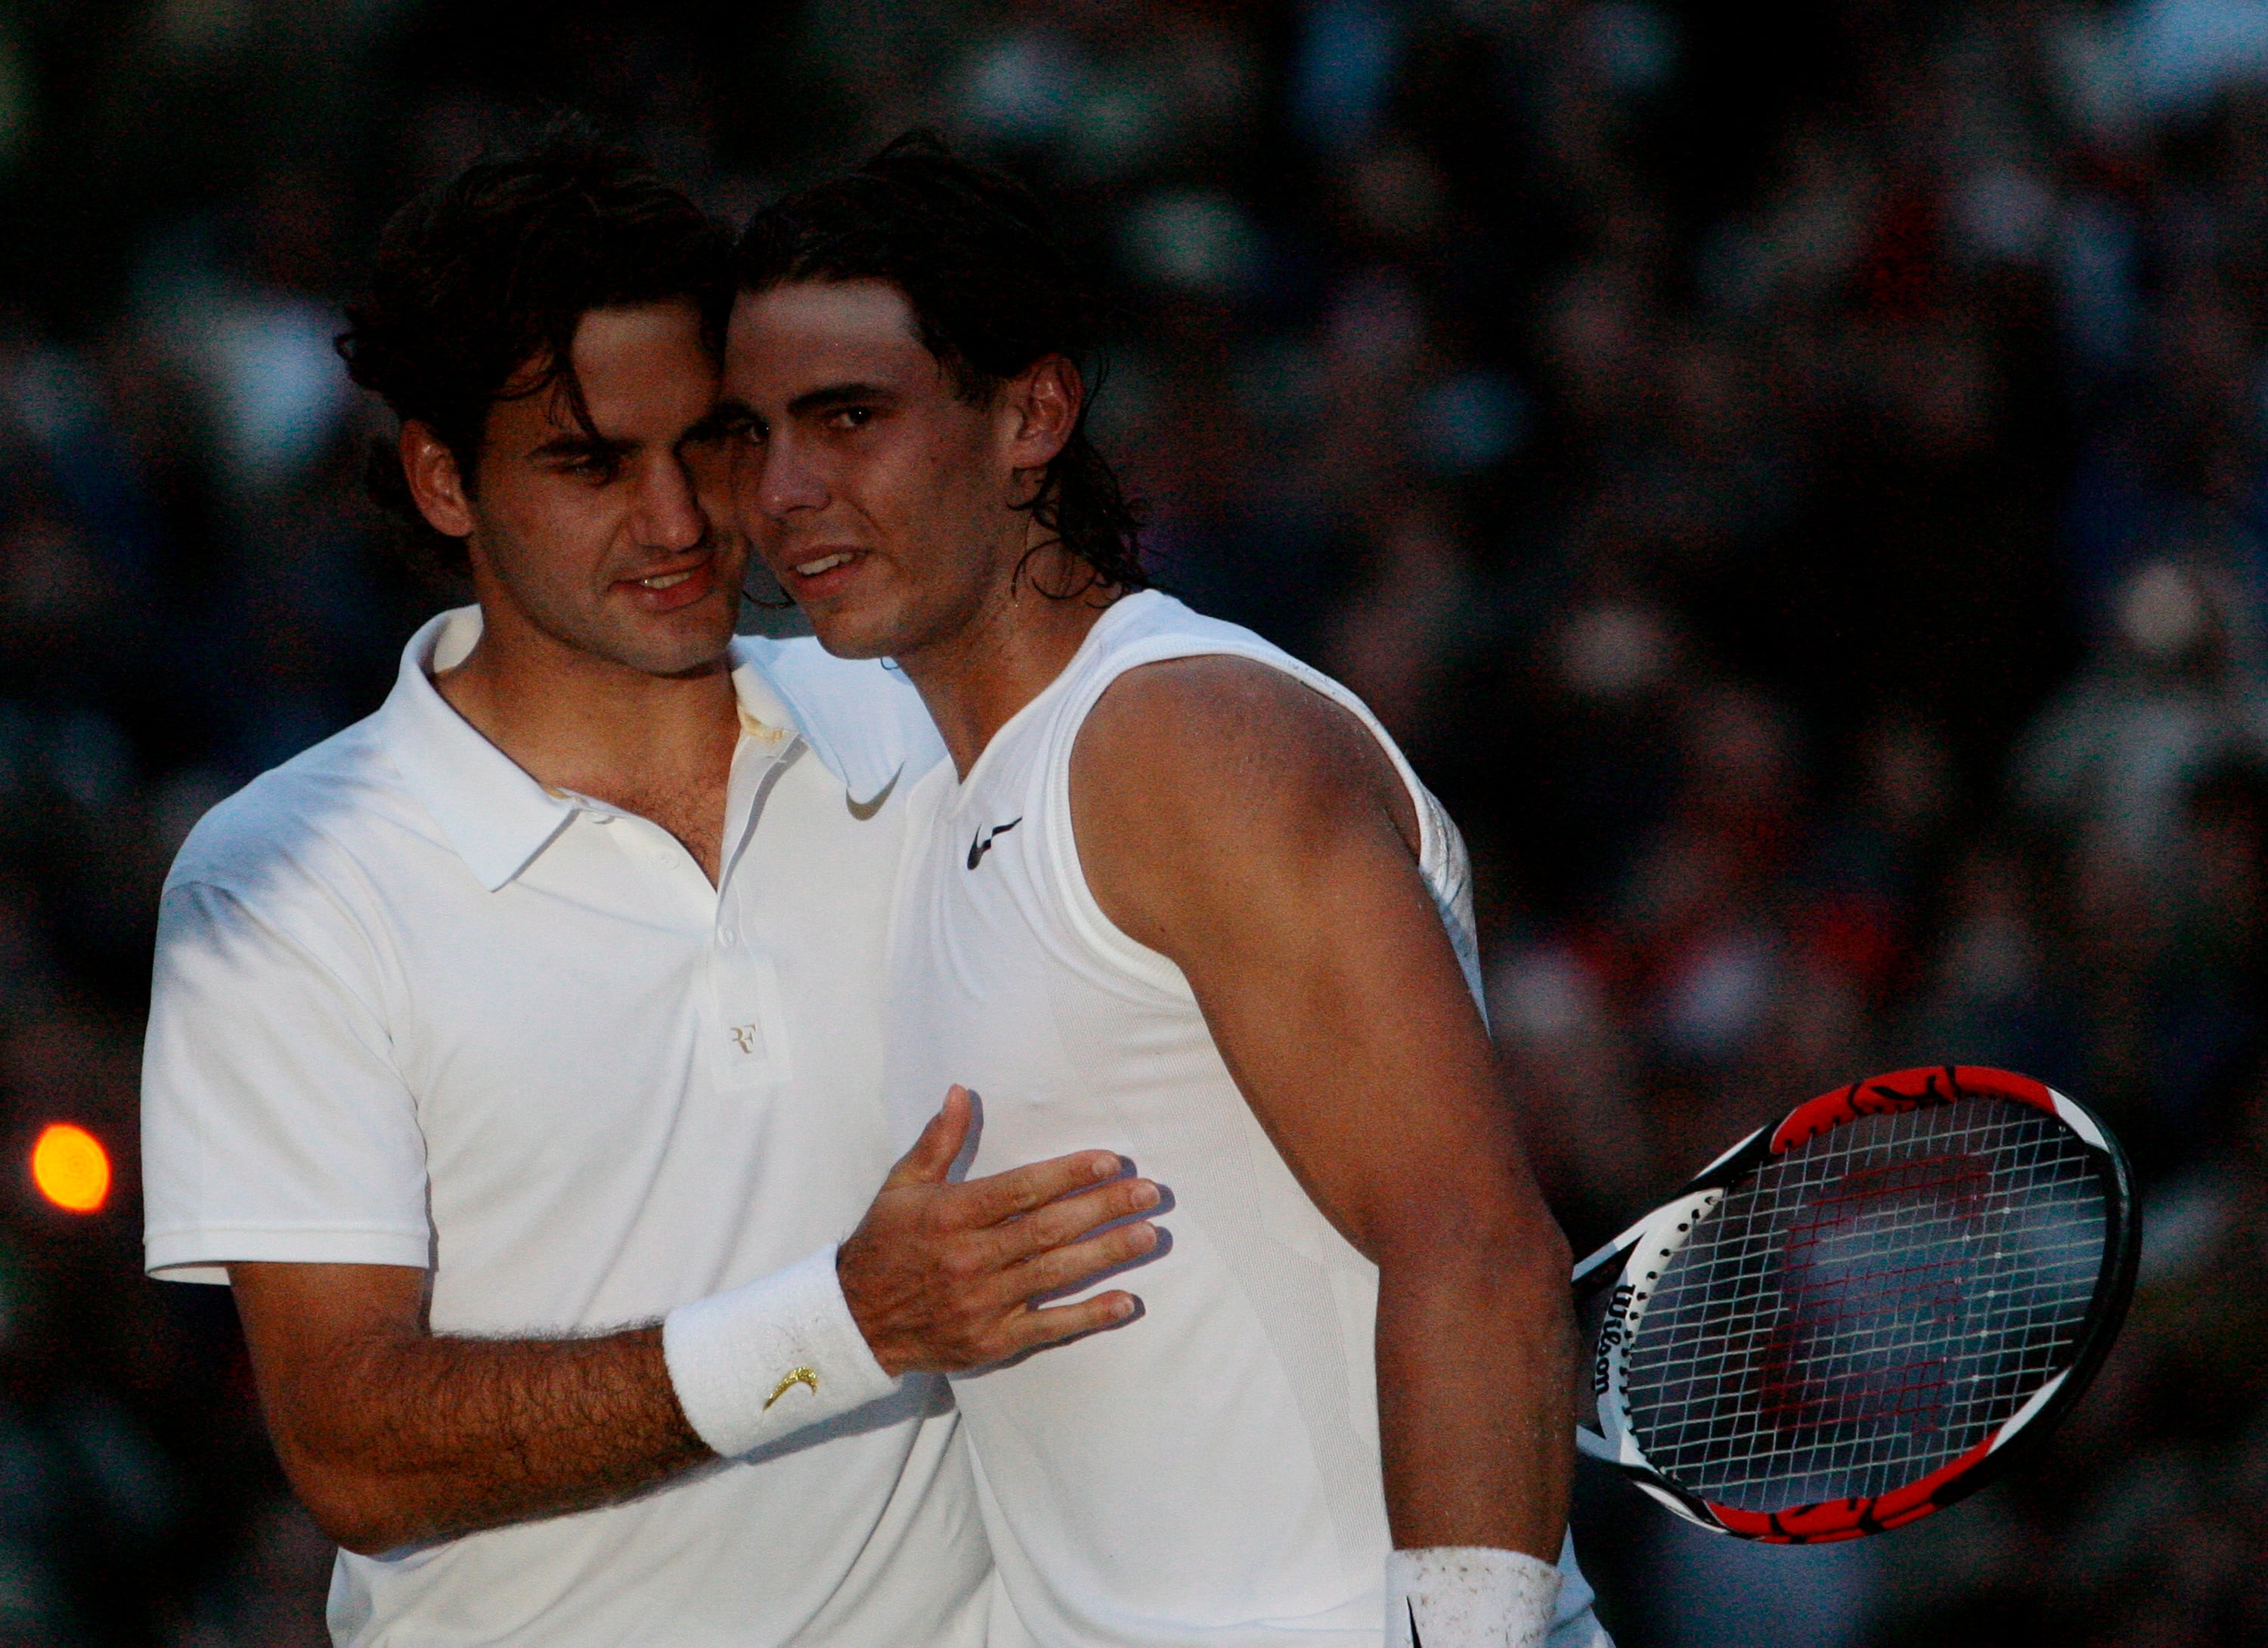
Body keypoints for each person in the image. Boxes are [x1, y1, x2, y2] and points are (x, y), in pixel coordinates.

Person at [137, 129, 1164, 1648]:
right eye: (590, 461)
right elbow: (353, 1442)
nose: (683, 521)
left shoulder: (934, 721)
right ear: (440, 477)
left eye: (715, 441)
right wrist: (849, 1323)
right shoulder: (280, 880)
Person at [723, 135, 1609, 1648]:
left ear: (1032, 414)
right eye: (751, 436)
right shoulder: (951, 800)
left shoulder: (1182, 739)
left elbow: (1475, 1247)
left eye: (849, 418)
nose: (786, 492)